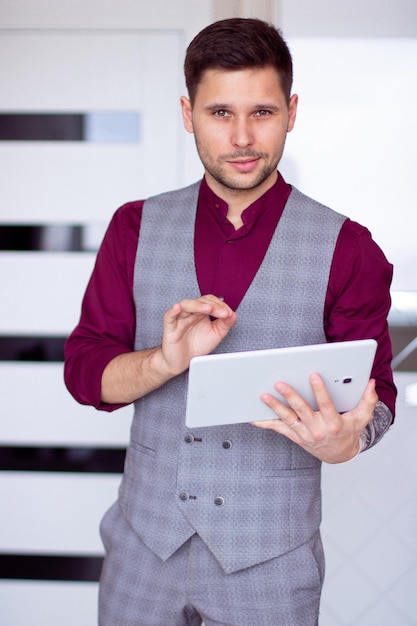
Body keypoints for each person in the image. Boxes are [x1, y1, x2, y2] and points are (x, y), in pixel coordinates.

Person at [64, 17, 396, 626]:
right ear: (188, 114)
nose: (242, 137)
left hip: (271, 564)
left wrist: (347, 440)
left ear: (291, 112)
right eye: (220, 113)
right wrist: (164, 363)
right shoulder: (134, 229)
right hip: (143, 550)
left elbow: (377, 402)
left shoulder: (349, 248)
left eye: (262, 112)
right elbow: (86, 376)